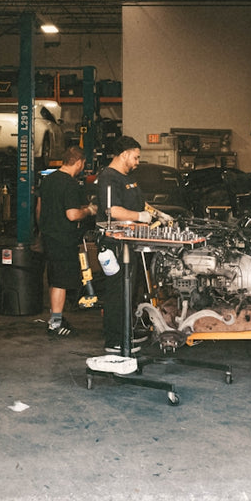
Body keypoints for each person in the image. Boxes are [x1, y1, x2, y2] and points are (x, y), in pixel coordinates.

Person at [93, 135, 152, 354]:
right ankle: (114, 341)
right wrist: (140, 216)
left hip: (130, 243)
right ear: (124, 154)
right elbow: (113, 211)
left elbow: (141, 204)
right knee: (117, 292)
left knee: (129, 290)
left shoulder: (128, 178)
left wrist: (156, 213)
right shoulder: (109, 178)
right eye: (135, 157)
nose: (137, 162)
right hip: (114, 245)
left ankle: (126, 332)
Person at [36, 145, 97, 337]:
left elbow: (39, 208)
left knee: (54, 279)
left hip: (49, 236)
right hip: (64, 239)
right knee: (61, 282)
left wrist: (43, 228)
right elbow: (72, 215)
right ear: (79, 162)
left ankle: (56, 317)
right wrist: (89, 211)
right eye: (83, 164)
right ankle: (55, 323)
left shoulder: (47, 180)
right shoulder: (70, 184)